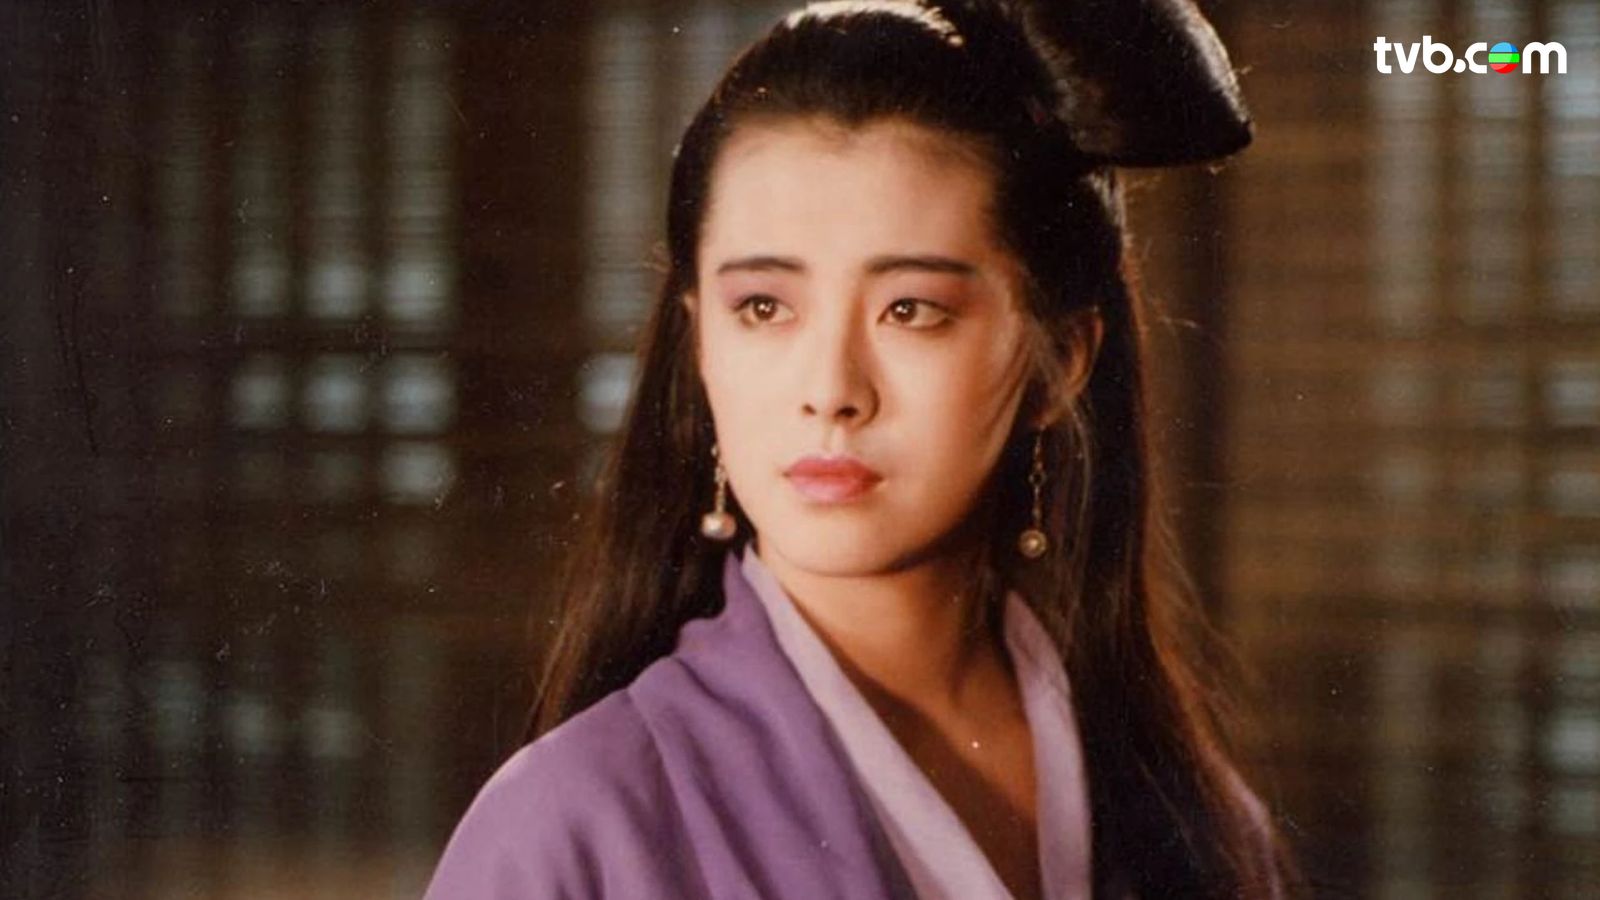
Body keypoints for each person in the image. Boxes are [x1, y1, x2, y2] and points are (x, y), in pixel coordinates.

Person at [426, 1, 1298, 897]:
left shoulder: (1194, 815)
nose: (831, 389)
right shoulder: (571, 823)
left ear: (1059, 361)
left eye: (910, 309)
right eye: (764, 307)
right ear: (699, 345)